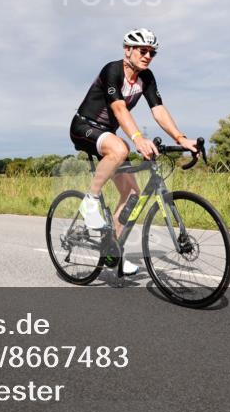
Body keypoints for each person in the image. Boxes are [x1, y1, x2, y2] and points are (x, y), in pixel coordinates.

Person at [69, 28, 197, 276]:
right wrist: (138, 138)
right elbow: (118, 109)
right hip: (84, 126)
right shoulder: (112, 70)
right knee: (121, 147)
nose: (148, 55)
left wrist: (181, 138)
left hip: (108, 135)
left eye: (152, 52)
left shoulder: (146, 78)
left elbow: (158, 110)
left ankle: (113, 253)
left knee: (132, 196)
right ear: (127, 50)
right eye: (143, 50)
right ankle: (90, 201)